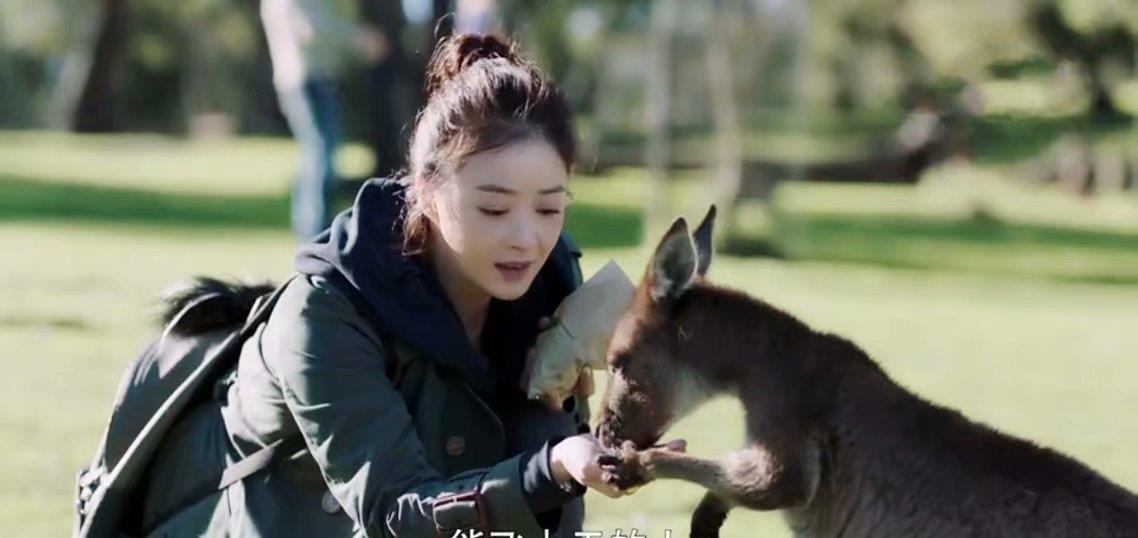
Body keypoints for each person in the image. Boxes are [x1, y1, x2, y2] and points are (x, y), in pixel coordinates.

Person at [140, 33, 633, 537]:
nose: (528, 239)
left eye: (550, 208)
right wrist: (547, 469)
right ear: (426, 190)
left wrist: (551, 421)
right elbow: (395, 513)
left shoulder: (549, 286)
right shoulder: (325, 314)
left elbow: (549, 513)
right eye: (494, 208)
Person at [261, 0, 387, 239]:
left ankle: (315, 233)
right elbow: (313, 30)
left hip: (315, 79)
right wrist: (360, 39)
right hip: (307, 81)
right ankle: (315, 236)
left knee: (319, 156)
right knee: (320, 157)